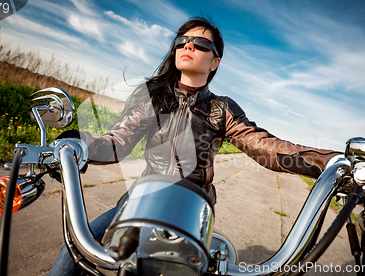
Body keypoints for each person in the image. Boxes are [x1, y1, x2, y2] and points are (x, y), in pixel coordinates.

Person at [49, 16, 341, 275]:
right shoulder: (153, 95)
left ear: (215, 62)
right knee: (74, 249)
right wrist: (80, 144)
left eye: (200, 43)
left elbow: (268, 148)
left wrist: (333, 163)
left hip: (190, 211)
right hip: (143, 200)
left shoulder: (221, 108)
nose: (187, 46)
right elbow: (118, 141)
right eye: (182, 41)